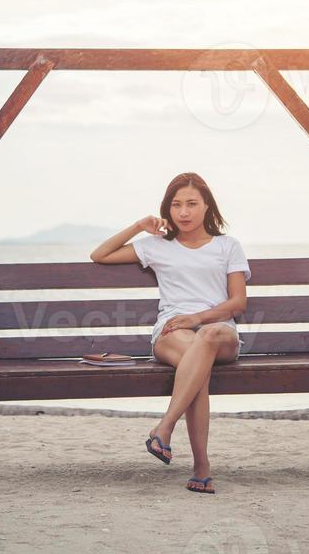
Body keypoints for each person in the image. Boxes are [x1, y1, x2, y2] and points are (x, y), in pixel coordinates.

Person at [89, 171, 251, 495]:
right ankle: (201, 467)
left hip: (218, 331)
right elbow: (99, 255)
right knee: (197, 366)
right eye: (176, 205)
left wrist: (197, 318)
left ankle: (165, 426)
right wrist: (139, 226)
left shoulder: (227, 246)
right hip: (172, 332)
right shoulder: (156, 246)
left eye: (192, 203)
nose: (184, 212)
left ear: (207, 206)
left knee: (204, 341)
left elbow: (238, 302)